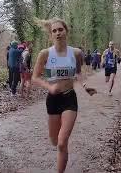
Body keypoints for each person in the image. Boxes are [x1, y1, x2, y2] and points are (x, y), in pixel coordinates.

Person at [32, 17, 97, 173]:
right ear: (50, 35)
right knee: (55, 141)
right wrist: (49, 86)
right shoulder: (45, 54)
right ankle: (61, 147)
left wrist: (85, 86)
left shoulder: (76, 53)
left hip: (69, 98)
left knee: (62, 142)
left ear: (66, 31)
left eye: (60, 29)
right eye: (54, 31)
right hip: (53, 100)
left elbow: (79, 73)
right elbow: (35, 77)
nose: (58, 33)